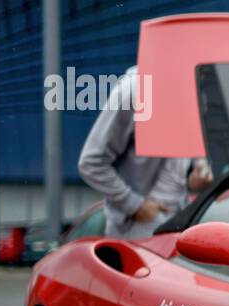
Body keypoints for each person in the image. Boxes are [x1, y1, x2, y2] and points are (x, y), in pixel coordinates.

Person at [78, 65, 210, 239]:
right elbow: (91, 163)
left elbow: (178, 166)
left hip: (180, 225)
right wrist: (134, 205)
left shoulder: (196, 88)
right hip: (137, 229)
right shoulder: (134, 90)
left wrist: (193, 176)